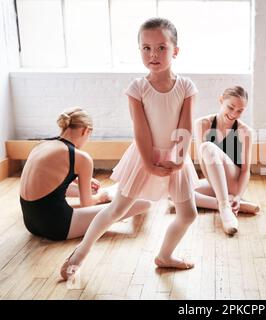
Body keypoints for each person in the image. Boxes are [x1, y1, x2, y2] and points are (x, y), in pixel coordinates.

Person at [60, 17, 199, 281]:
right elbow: (141, 130)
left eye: (161, 48)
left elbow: (186, 125)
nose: (153, 54)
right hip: (143, 156)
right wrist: (148, 163)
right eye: (146, 48)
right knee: (116, 210)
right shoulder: (137, 88)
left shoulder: (186, 86)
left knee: (188, 213)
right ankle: (80, 252)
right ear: (140, 51)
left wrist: (180, 158)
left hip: (175, 157)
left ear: (175, 51)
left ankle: (165, 255)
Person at [19, 107, 150, 241]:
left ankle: (105, 195)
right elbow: (86, 204)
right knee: (144, 203)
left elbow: (48, 176)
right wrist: (101, 197)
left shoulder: (42, 144)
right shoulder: (80, 157)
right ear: (86, 130)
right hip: (57, 227)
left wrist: (80, 180)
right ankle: (108, 196)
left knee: (91, 191)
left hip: (31, 223)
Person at [192, 86, 258, 235]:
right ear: (221, 100)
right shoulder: (202, 124)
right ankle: (229, 204)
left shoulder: (246, 132)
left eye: (240, 110)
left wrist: (239, 196)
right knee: (177, 195)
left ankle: (224, 206)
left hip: (233, 182)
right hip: (215, 182)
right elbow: (203, 164)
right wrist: (218, 189)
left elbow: (246, 170)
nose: (234, 113)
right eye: (231, 107)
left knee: (208, 147)